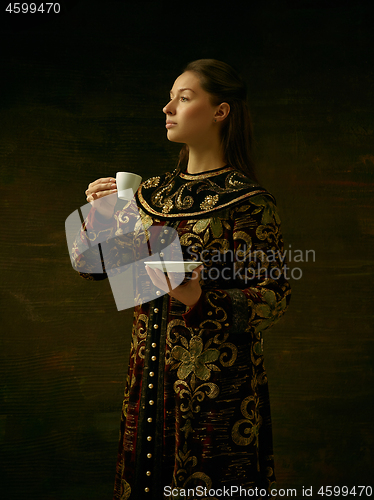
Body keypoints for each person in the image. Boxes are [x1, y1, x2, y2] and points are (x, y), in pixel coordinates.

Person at [71, 59, 291, 500]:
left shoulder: (248, 202)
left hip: (215, 390)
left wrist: (196, 297)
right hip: (146, 381)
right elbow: (96, 267)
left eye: (184, 98)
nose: (168, 106)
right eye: (171, 96)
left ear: (220, 111)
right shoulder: (150, 193)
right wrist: (101, 214)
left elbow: (272, 297)